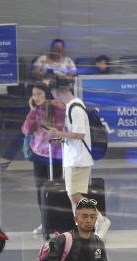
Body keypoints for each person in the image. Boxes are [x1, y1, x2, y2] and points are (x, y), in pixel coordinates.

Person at [22, 84, 65, 234]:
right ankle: (44, 222)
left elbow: (65, 126)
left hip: (56, 155)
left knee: (54, 188)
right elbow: (26, 130)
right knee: (40, 189)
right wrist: (32, 111)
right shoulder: (36, 111)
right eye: (34, 94)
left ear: (46, 95)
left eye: (40, 94)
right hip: (39, 155)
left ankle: (57, 222)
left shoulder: (59, 109)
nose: (36, 97)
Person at [48, 78, 93, 208]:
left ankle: (100, 220)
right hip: (73, 158)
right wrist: (63, 136)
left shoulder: (76, 108)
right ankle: (81, 228)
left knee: (74, 196)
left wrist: (59, 133)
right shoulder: (71, 106)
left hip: (78, 159)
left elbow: (80, 134)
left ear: (56, 92)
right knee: (73, 198)